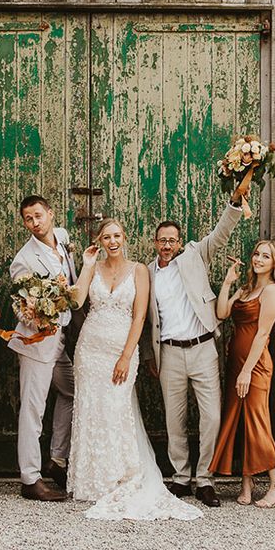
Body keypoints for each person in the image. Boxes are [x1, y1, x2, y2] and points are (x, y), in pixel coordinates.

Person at [68, 219, 202, 521]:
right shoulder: (94, 267)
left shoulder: (139, 270)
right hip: (89, 349)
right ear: (100, 241)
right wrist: (87, 265)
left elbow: (140, 316)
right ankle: (92, 481)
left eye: (116, 235)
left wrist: (127, 356)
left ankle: (119, 475)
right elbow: (76, 302)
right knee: (91, 409)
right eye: (106, 237)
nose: (112, 241)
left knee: (117, 410)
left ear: (124, 238)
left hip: (120, 349)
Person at [142, 194, 244, 507]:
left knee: (211, 416)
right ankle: (181, 478)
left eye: (172, 240)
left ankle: (205, 479)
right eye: (162, 240)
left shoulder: (195, 255)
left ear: (180, 242)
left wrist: (235, 203)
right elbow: (144, 318)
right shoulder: (146, 273)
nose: (167, 245)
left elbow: (221, 232)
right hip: (169, 353)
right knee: (175, 420)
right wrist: (149, 357)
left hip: (202, 348)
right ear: (155, 242)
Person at [209, 241, 275, 508]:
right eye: (257, 253)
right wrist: (228, 283)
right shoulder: (247, 288)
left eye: (266, 256)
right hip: (236, 362)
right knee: (241, 422)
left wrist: (246, 371)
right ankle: (247, 481)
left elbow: (263, 334)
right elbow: (221, 313)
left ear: (274, 262)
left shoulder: (271, 291)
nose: (258, 259)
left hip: (255, 365)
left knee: (257, 421)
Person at [8, 195, 78, 501]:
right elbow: (21, 308)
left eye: (38, 216)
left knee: (73, 392)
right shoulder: (24, 259)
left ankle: (56, 458)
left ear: (50, 214)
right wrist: (38, 317)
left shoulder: (62, 238)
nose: (34, 223)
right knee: (33, 409)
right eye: (28, 219)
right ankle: (30, 478)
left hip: (62, 340)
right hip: (37, 344)